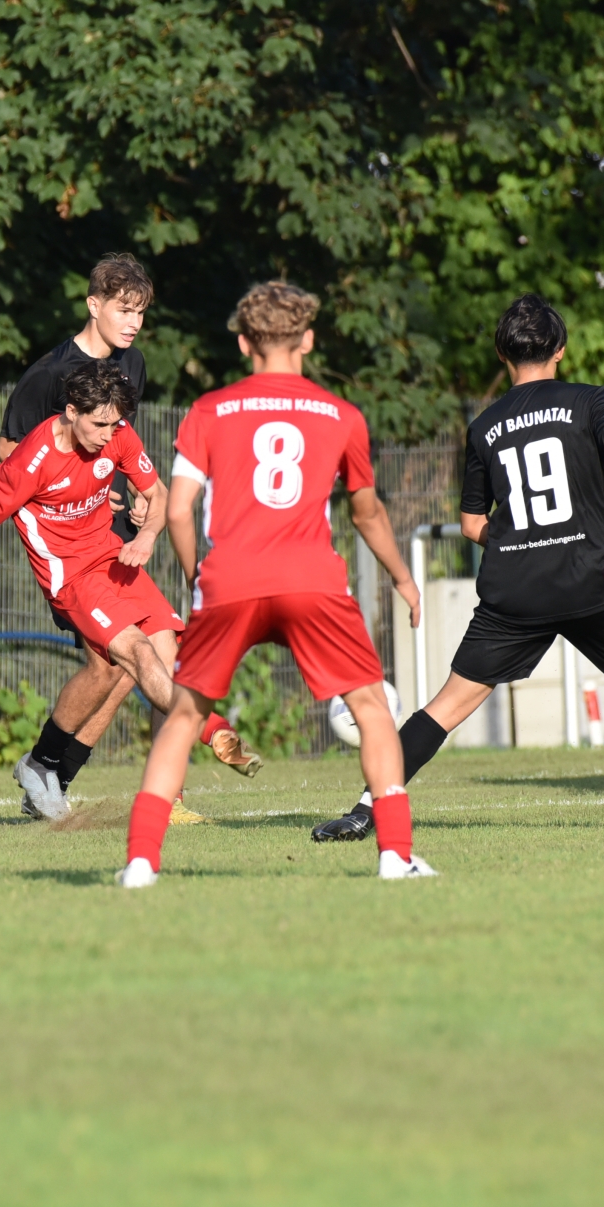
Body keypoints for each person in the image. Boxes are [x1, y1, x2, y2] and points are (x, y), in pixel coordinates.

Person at [307, 294, 604, 847]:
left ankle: (363, 811)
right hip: (590, 577)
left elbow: (472, 524)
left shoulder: (484, 426)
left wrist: (520, 540)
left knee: (446, 706)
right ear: (560, 349)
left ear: (502, 354)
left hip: (515, 589)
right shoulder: (590, 400)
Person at [123, 280, 436, 888]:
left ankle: (140, 863)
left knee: (184, 716)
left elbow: (179, 510)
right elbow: (367, 512)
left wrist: (197, 576)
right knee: (372, 708)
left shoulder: (208, 410)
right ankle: (396, 856)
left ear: (243, 343)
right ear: (308, 340)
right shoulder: (343, 415)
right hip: (312, 579)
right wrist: (403, 577)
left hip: (230, 579)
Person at [0, 253, 258, 816]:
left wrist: (138, 494)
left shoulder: (131, 362)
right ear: (94, 306)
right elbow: (10, 452)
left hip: (115, 536)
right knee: (115, 664)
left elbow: (120, 441)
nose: (134, 323)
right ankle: (49, 770)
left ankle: (144, 791)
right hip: (68, 545)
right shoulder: (49, 373)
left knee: (145, 658)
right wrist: (71, 488)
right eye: (123, 310)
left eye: (140, 312)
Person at [0, 360, 252, 820]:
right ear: (71, 411)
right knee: (138, 656)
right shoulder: (33, 459)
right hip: (69, 577)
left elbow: (159, 494)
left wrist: (147, 536)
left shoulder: (117, 433)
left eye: (114, 424)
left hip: (112, 559)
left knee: (152, 659)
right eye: (99, 425)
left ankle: (49, 767)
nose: (108, 436)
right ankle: (216, 732)